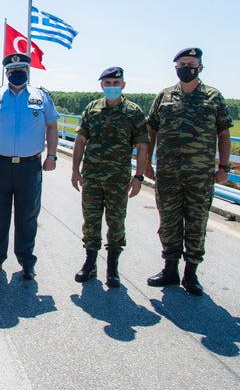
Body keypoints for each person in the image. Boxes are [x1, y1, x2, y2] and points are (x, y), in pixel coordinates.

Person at [144, 47, 233, 296]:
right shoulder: (164, 96)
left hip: (201, 176)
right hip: (168, 174)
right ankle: (170, 270)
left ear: (200, 68)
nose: (186, 67)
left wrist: (223, 167)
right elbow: (151, 132)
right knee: (169, 222)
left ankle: (191, 274)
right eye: (182, 63)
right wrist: (146, 164)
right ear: (176, 68)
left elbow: (224, 134)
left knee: (196, 224)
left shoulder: (213, 97)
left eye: (191, 63)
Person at [0, 53, 59, 279]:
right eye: (12, 71)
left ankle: (26, 261)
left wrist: (52, 155)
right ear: (6, 73)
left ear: (28, 71)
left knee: (27, 216)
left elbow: (51, 126)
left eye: (22, 69)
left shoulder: (42, 97)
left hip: (29, 167)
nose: (17, 73)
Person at [71, 67, 149, 287]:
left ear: (123, 85)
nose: (111, 87)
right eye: (107, 83)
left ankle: (113, 267)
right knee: (91, 222)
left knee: (116, 223)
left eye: (116, 83)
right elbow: (80, 141)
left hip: (118, 180)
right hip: (92, 178)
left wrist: (139, 177)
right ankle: (90, 263)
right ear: (102, 85)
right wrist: (75, 170)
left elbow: (142, 146)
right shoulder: (92, 109)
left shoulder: (133, 112)